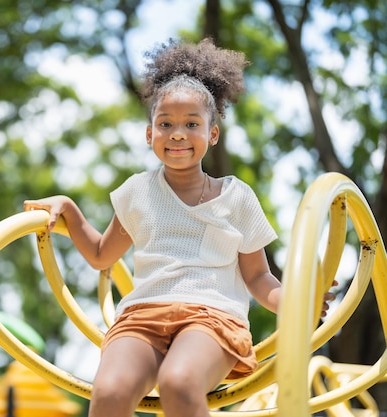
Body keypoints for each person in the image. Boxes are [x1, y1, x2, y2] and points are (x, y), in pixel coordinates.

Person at [24, 38, 334, 417]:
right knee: (109, 393)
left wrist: (296, 300)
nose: (177, 133)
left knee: (179, 382)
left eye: (191, 124)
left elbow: (257, 277)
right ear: (149, 134)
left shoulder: (236, 198)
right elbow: (101, 254)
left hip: (212, 317)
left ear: (212, 134)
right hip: (142, 316)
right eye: (165, 123)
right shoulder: (138, 192)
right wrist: (69, 210)